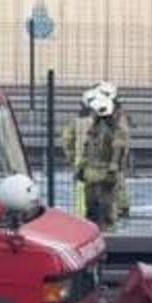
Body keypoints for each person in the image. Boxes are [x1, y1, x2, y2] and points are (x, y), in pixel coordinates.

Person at [79, 90, 127, 231]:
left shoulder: (114, 128)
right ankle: (96, 228)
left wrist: (113, 166)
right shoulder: (96, 127)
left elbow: (118, 148)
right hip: (93, 172)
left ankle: (107, 230)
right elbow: (87, 149)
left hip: (104, 171)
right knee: (92, 205)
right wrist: (82, 166)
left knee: (105, 205)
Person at [95, 82, 132, 219]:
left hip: (115, 150)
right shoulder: (112, 110)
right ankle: (119, 206)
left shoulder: (116, 114)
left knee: (117, 178)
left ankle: (121, 207)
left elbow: (120, 137)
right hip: (111, 148)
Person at [61, 89, 95, 218]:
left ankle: (82, 216)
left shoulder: (76, 122)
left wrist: (71, 157)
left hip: (81, 162)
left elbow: (67, 140)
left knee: (81, 193)